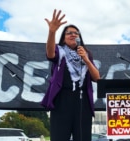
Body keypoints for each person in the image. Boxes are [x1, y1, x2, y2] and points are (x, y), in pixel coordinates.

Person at [41, 9, 100, 141]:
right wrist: (52, 32)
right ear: (63, 37)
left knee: (83, 137)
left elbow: (97, 78)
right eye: (69, 33)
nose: (73, 35)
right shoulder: (60, 51)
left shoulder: (86, 54)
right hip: (62, 100)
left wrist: (86, 60)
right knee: (59, 137)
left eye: (76, 33)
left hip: (82, 100)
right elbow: (50, 53)